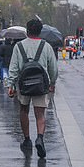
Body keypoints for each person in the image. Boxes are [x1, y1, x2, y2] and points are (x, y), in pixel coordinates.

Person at [7, 19, 58, 159]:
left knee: (24, 110)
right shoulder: (46, 46)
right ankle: (40, 138)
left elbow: (14, 68)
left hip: (24, 84)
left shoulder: (19, 46)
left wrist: (10, 85)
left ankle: (27, 139)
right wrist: (52, 82)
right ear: (40, 31)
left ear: (27, 31)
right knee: (40, 114)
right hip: (41, 84)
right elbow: (53, 67)